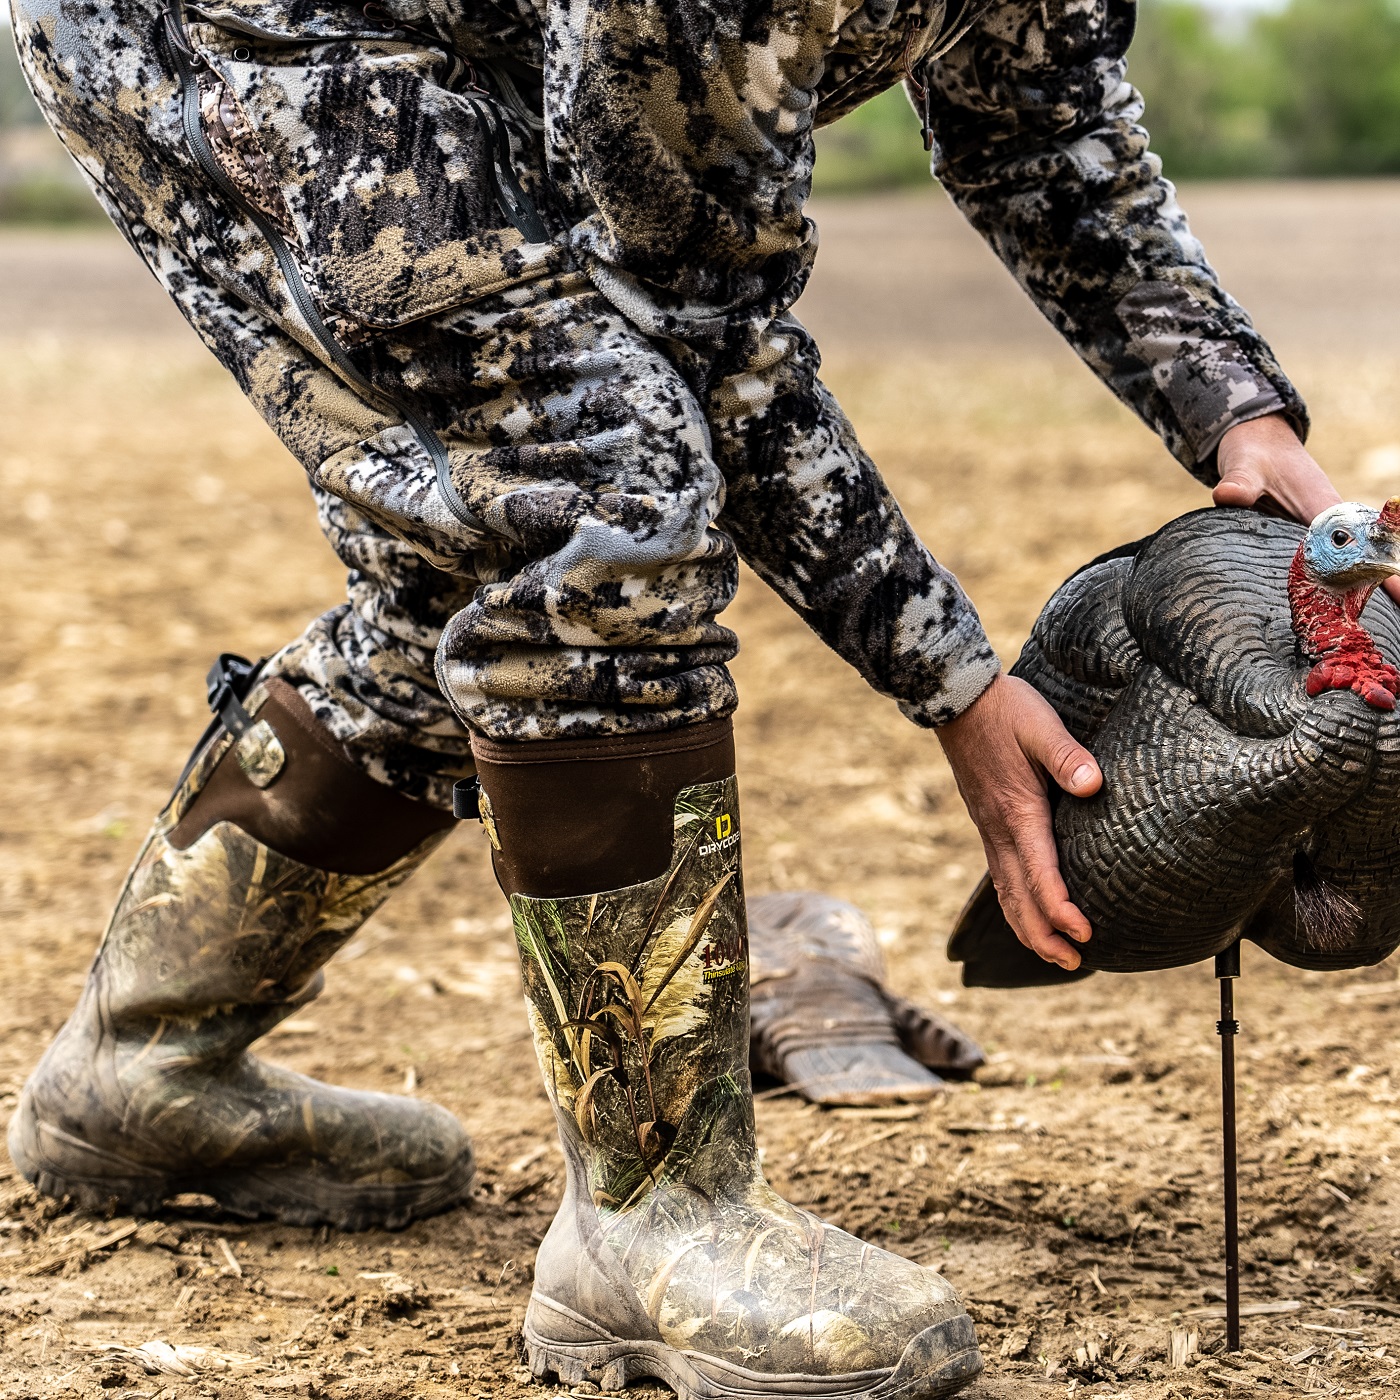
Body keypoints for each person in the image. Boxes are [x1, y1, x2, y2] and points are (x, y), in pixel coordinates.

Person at [3, 0, 1359, 1391]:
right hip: (246, 30)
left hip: (497, 55)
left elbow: (1045, 123)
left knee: (472, 557)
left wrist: (1241, 415)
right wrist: (956, 683)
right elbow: (705, 339)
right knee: (595, 489)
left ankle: (144, 1069)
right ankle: (659, 1218)